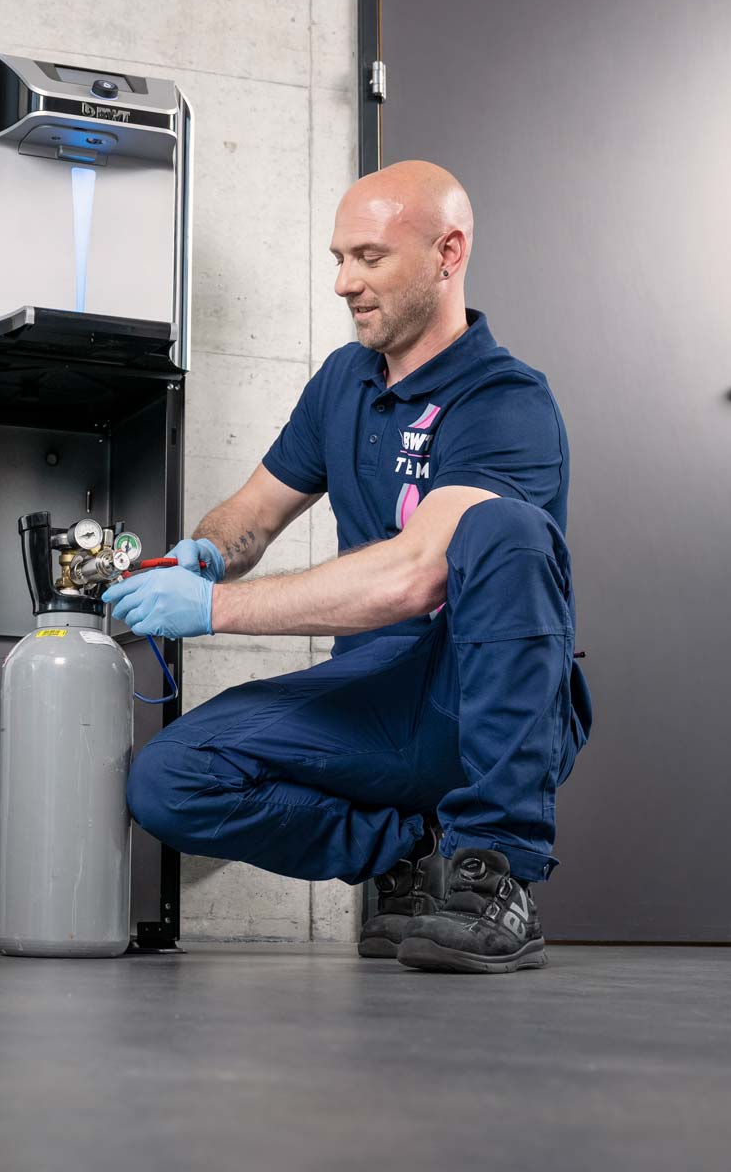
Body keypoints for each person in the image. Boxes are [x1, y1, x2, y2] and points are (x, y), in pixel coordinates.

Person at [103, 161, 593, 975]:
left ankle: (493, 872)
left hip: (471, 702)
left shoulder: (506, 402)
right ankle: (411, 849)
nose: (343, 283)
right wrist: (210, 551)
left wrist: (215, 608)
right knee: (169, 782)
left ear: (448, 252)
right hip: (369, 694)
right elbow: (253, 512)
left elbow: (413, 575)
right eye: (338, 258)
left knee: (505, 530)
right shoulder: (344, 381)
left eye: (368, 257)